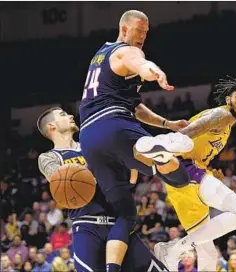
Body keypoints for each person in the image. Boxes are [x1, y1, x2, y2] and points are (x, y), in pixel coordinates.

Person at [78, 9, 194, 272]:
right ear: (124, 29)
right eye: (138, 30)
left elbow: (136, 107)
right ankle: (160, 154)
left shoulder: (100, 55)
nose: (142, 36)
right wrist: (155, 72)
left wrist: (167, 123)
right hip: (116, 127)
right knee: (179, 178)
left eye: (145, 32)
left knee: (126, 211)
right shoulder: (126, 51)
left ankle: (112, 269)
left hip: (90, 137)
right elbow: (142, 63)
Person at [37, 107, 169, 272]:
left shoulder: (92, 146)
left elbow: (129, 175)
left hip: (118, 223)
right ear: (51, 126)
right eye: (63, 115)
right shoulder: (49, 157)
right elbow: (59, 180)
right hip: (87, 227)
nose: (71, 115)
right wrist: (97, 168)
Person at [153, 76, 236, 271]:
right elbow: (188, 132)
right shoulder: (223, 115)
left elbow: (197, 143)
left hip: (185, 174)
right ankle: (174, 248)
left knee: (208, 253)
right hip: (184, 168)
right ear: (228, 99)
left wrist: (208, 171)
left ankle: (171, 253)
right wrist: (162, 150)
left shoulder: (226, 123)